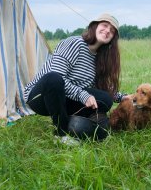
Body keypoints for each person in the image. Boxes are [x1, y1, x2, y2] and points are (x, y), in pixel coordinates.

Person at [24, 13, 127, 145]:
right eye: (105, 25)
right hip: (40, 97)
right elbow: (57, 75)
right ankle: (60, 134)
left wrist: (122, 97)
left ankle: (73, 122)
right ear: (94, 26)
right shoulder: (74, 43)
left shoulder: (100, 58)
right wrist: (82, 95)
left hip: (66, 98)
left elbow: (101, 86)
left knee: (105, 99)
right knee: (54, 78)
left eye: (112, 31)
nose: (107, 31)